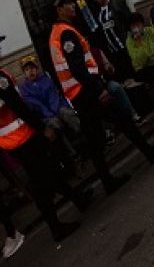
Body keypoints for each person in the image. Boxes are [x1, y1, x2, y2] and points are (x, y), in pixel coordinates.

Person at [49, 0, 154, 195]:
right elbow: (77, 68)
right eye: (68, 4)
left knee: (94, 140)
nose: (73, 6)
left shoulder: (56, 32)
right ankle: (149, 153)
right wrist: (99, 89)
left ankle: (108, 181)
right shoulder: (66, 33)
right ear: (59, 8)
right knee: (123, 120)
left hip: (80, 95)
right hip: (87, 92)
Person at [0, 66, 89, 243]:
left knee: (50, 170)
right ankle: (56, 227)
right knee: (41, 183)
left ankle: (77, 198)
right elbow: (17, 106)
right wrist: (42, 127)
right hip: (23, 138)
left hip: (14, 141)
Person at [16, 54, 83, 155]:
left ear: (37, 69)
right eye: (27, 69)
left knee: (68, 114)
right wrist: (49, 114)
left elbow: (53, 95)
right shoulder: (24, 89)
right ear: (24, 73)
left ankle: (83, 138)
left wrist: (55, 110)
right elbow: (36, 104)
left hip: (57, 106)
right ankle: (72, 153)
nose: (30, 71)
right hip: (44, 115)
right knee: (54, 124)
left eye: (32, 68)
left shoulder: (45, 78)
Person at [91, 0, 133, 78]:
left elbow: (130, 20)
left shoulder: (116, 2)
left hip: (125, 46)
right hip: (113, 51)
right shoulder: (99, 11)